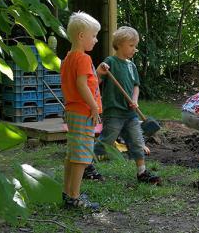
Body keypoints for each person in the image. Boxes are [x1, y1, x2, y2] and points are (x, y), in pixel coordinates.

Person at [93, 26, 161, 184]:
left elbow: (136, 85)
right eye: (131, 45)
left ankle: (142, 172)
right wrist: (99, 71)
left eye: (135, 45)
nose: (134, 49)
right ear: (119, 44)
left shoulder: (132, 66)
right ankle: (88, 165)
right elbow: (96, 81)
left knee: (137, 141)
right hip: (114, 112)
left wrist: (135, 100)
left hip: (130, 113)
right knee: (106, 141)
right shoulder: (110, 62)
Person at [60, 11, 107, 210]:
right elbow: (82, 85)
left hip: (72, 111)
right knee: (82, 157)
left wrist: (97, 74)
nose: (96, 40)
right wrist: (94, 107)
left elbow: (83, 81)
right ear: (81, 36)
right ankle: (75, 197)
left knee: (73, 154)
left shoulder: (69, 57)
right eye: (94, 36)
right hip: (83, 112)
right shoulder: (83, 58)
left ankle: (68, 193)